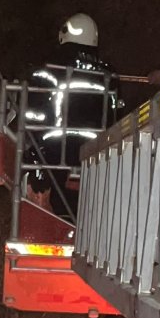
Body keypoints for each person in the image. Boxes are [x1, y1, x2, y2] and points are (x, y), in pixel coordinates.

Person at [24, 13, 120, 217]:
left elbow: (34, 115)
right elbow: (117, 113)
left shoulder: (52, 69)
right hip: (98, 152)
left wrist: (31, 147)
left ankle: (47, 211)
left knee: (33, 163)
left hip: (56, 150)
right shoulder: (108, 74)